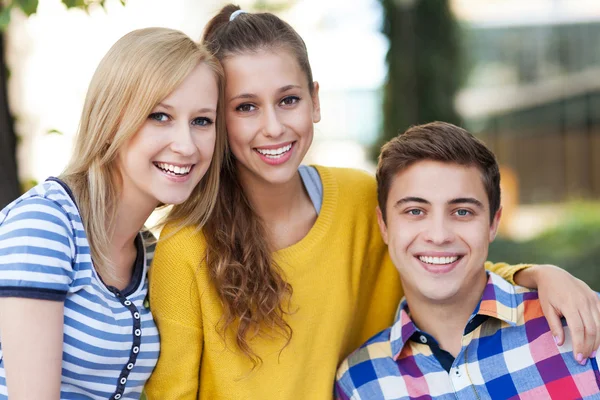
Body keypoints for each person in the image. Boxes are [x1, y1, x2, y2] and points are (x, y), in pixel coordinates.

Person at [144, 6, 600, 399]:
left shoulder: (361, 199)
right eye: (245, 107)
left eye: (288, 100)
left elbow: (442, 257)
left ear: (315, 100)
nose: (273, 127)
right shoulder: (186, 248)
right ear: (218, 118)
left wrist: (537, 275)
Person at [0, 27, 225, 399]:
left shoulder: (153, 252)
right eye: (160, 116)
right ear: (110, 121)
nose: (186, 145)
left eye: (202, 121)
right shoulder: (44, 227)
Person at [335, 122, 600, 399]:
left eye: (462, 212)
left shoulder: (581, 320)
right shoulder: (359, 383)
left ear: (493, 223)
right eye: (415, 211)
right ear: (384, 225)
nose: (438, 236)